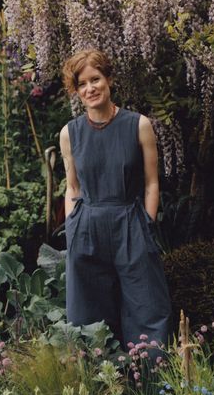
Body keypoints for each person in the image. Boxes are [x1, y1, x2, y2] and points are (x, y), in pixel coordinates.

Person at [59, 49, 172, 351]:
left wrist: (146, 225)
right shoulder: (70, 133)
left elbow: (151, 182)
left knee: (146, 306)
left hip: (130, 223)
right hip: (87, 228)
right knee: (88, 313)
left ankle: (150, 384)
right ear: (76, 91)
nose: (90, 88)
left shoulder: (139, 125)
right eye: (82, 84)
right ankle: (101, 384)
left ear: (109, 79)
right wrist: (72, 227)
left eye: (95, 79)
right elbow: (72, 187)